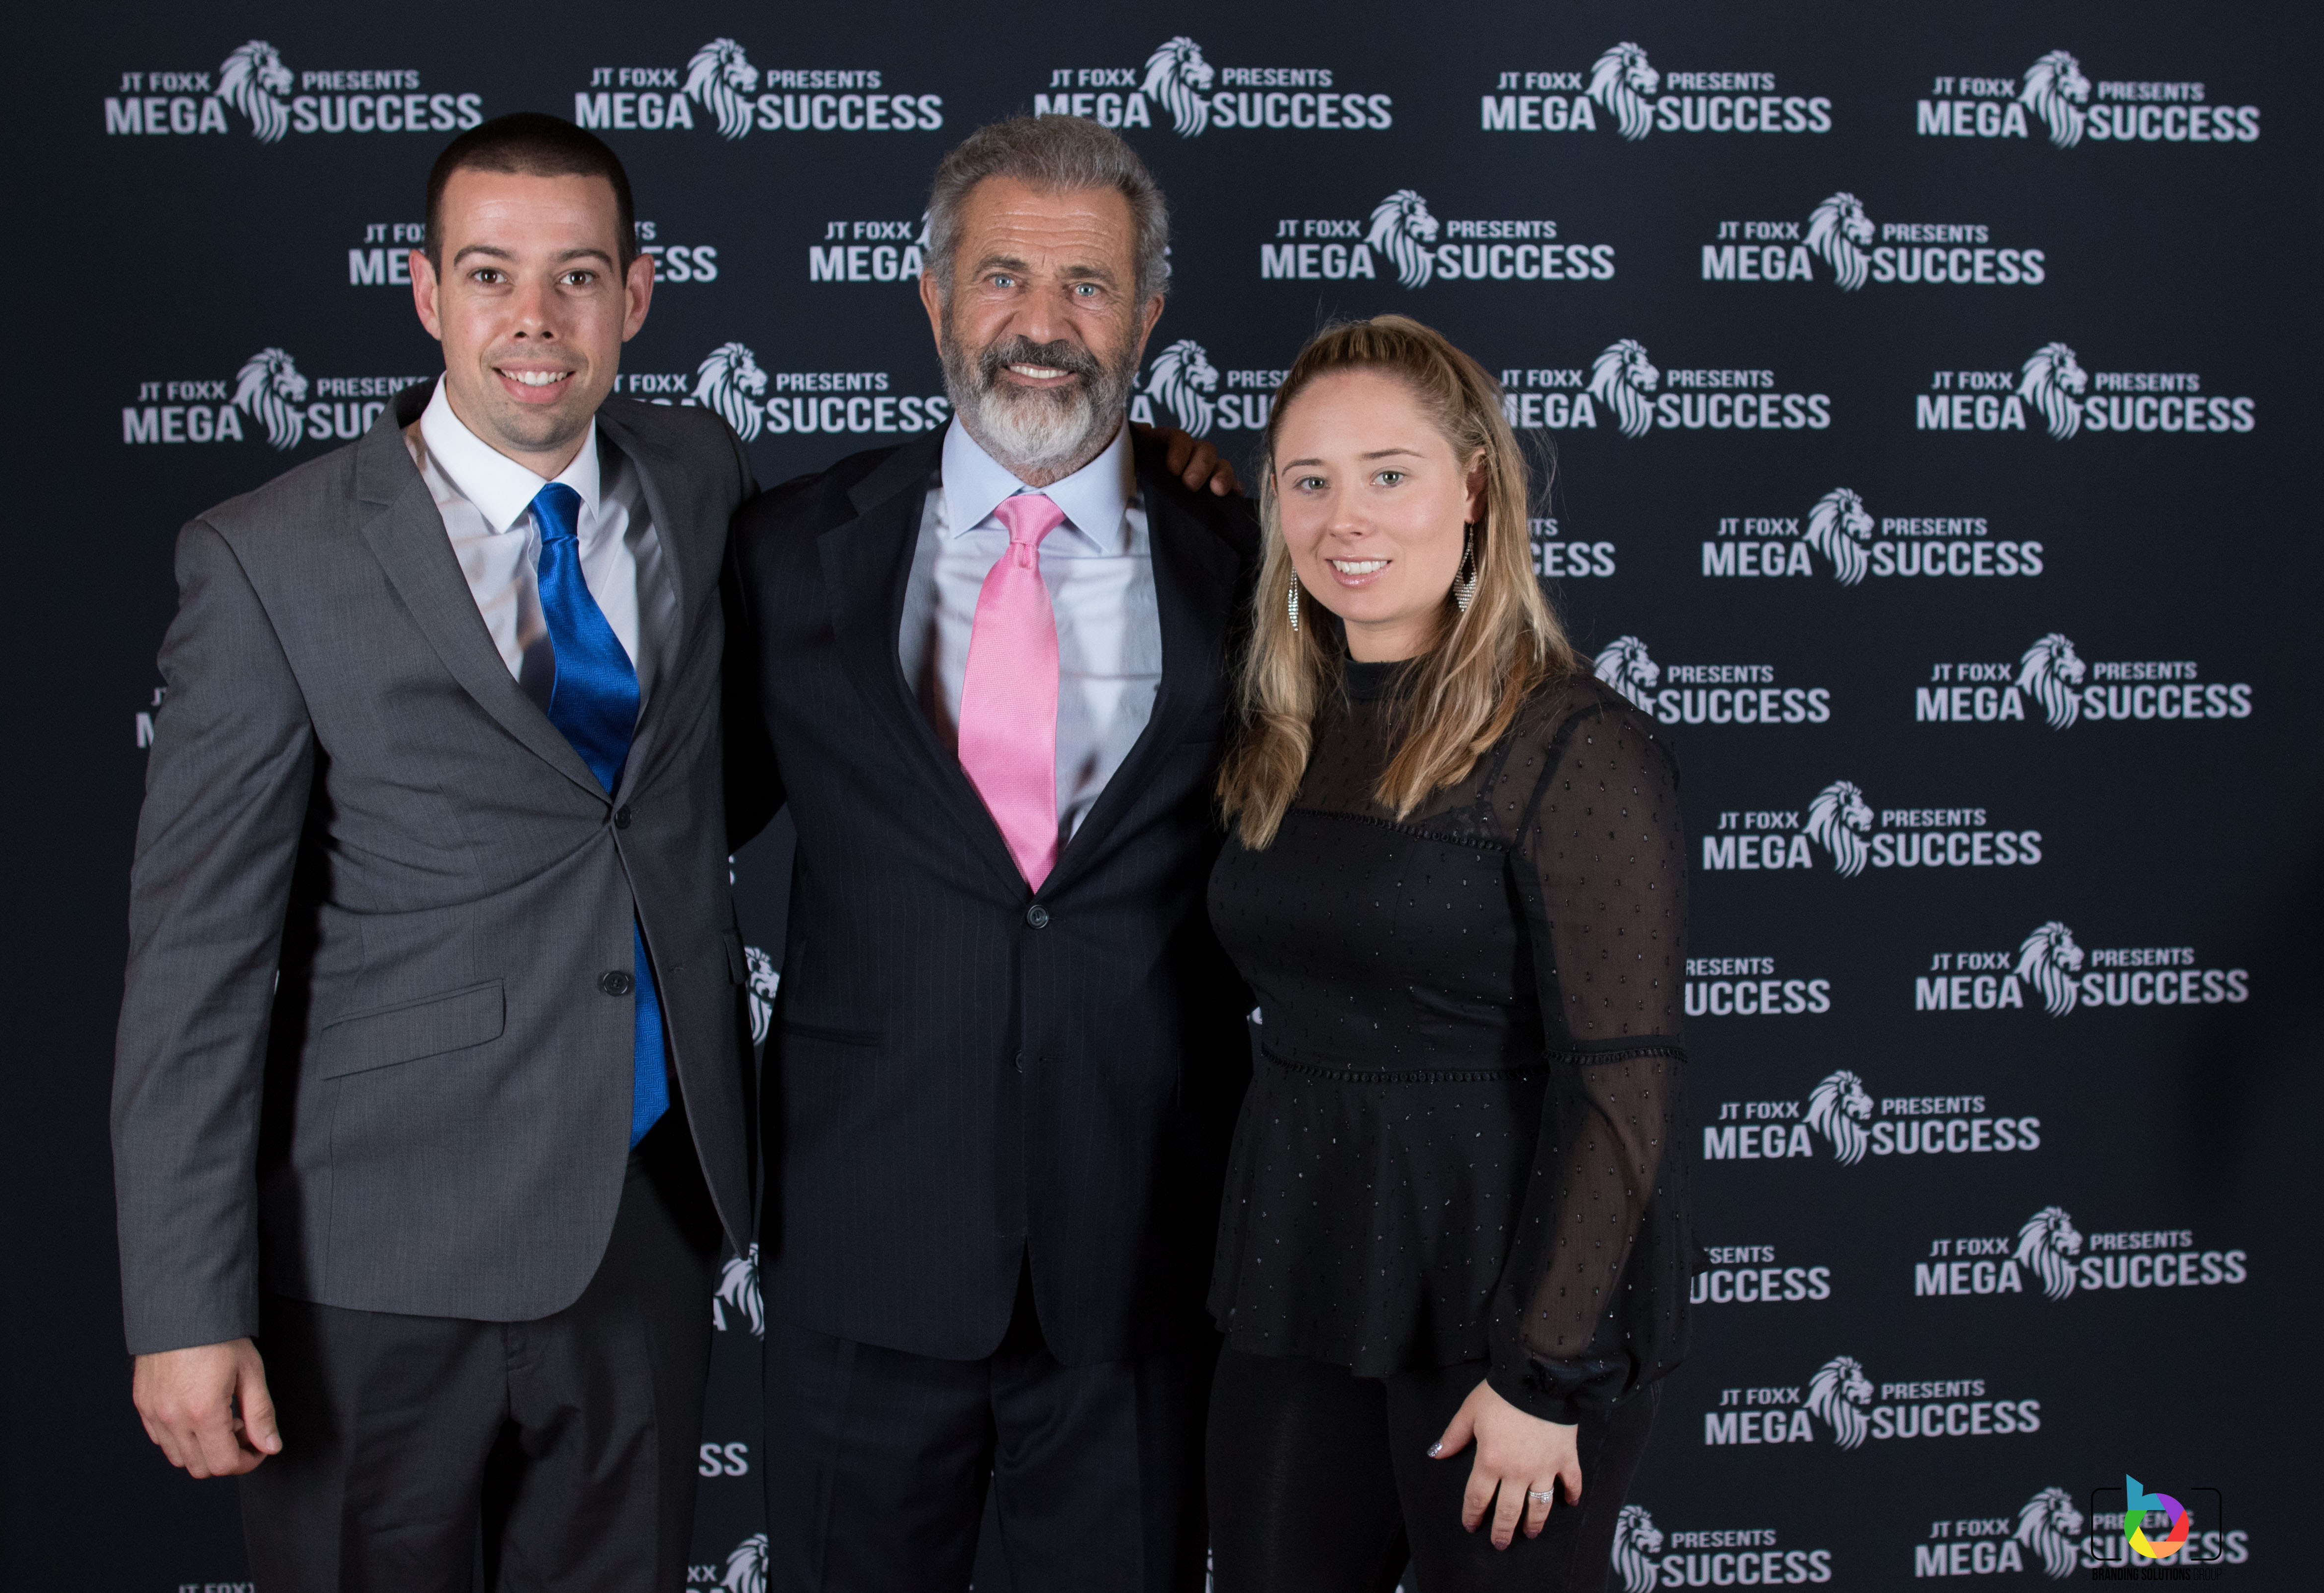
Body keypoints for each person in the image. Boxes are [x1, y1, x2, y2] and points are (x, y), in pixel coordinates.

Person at [112, 113, 761, 1589]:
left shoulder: (700, 474)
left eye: (577, 276)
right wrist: (184, 1303)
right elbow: (197, 964)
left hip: (643, 1219)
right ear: (424, 292)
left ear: (635, 295)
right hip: (373, 1255)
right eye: (489, 274)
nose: (535, 319)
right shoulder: (269, 558)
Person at [723, 115, 1256, 1593]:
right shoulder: (785, 552)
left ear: (1147, 313)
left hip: (1142, 1254)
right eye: (1004, 275)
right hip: (865, 1242)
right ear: (933, 294)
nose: (1043, 322)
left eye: (1088, 286)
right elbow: (669, 820)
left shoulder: (1246, 564)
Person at [1201, 316, 1692, 1593]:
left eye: (1389, 473)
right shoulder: (1280, 726)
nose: (1345, 519)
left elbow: (1623, 1090)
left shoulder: (1574, 744)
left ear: (1474, 489)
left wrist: (1545, 1374)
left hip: (1502, 1301)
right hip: (1300, 1276)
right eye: (1309, 481)